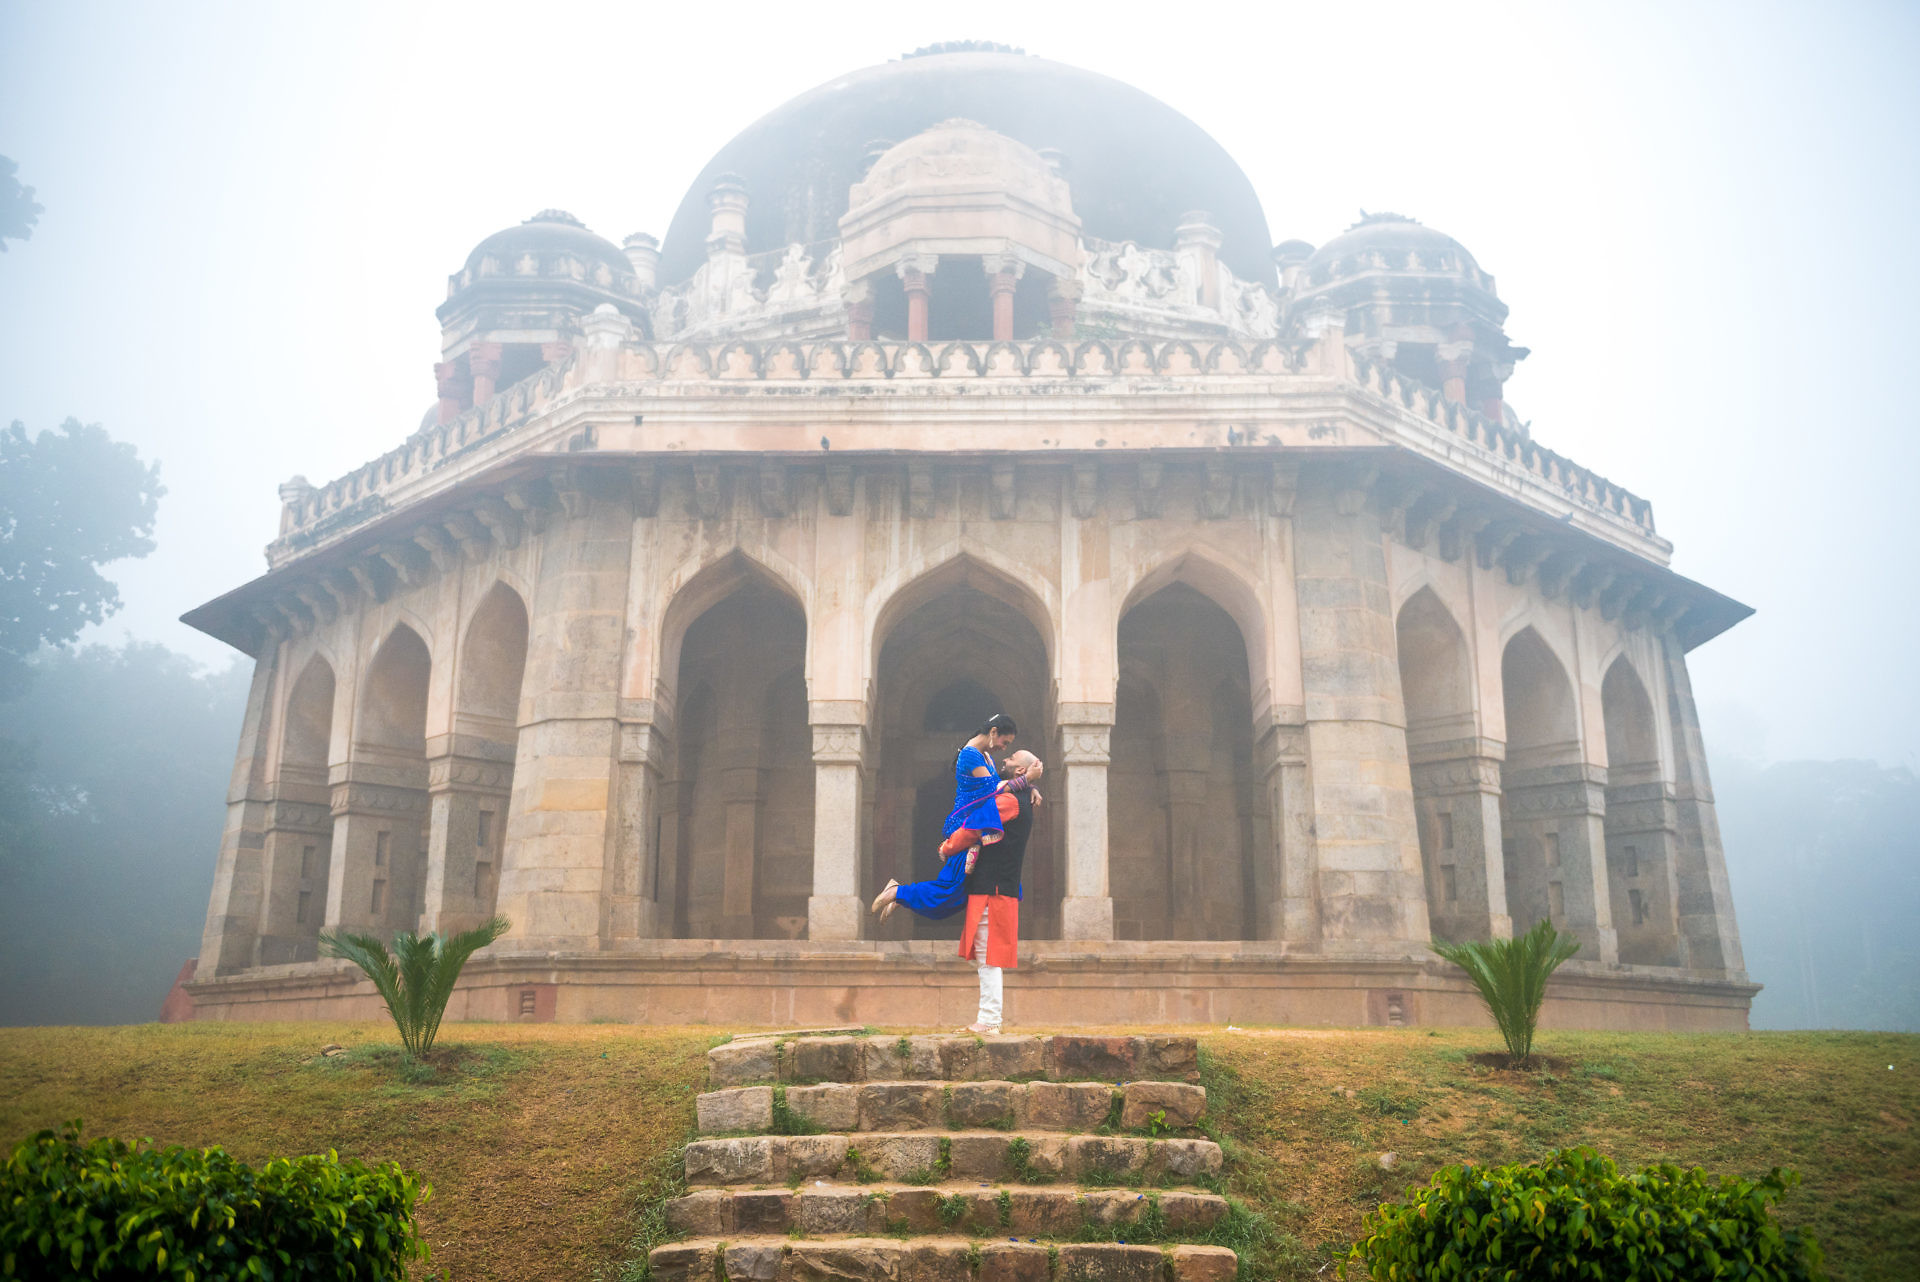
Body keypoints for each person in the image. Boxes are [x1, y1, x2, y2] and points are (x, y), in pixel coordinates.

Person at [870, 713, 1018, 921]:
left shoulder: (985, 757)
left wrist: (1029, 787)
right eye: (1005, 742)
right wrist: (1026, 781)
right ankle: (897, 892)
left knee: (956, 896)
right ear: (994, 732)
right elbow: (992, 791)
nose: (1005, 747)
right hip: (964, 829)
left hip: (974, 828)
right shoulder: (971, 755)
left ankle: (901, 896)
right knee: (949, 892)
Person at [959, 752, 1041, 1034]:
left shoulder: (1008, 801)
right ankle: (988, 1018)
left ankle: (989, 1020)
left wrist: (948, 847)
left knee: (987, 955)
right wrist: (1029, 784)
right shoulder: (1019, 796)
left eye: (1012, 757)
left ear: (1019, 768)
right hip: (996, 885)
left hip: (993, 887)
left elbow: (978, 822)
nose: (1005, 757)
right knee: (984, 955)